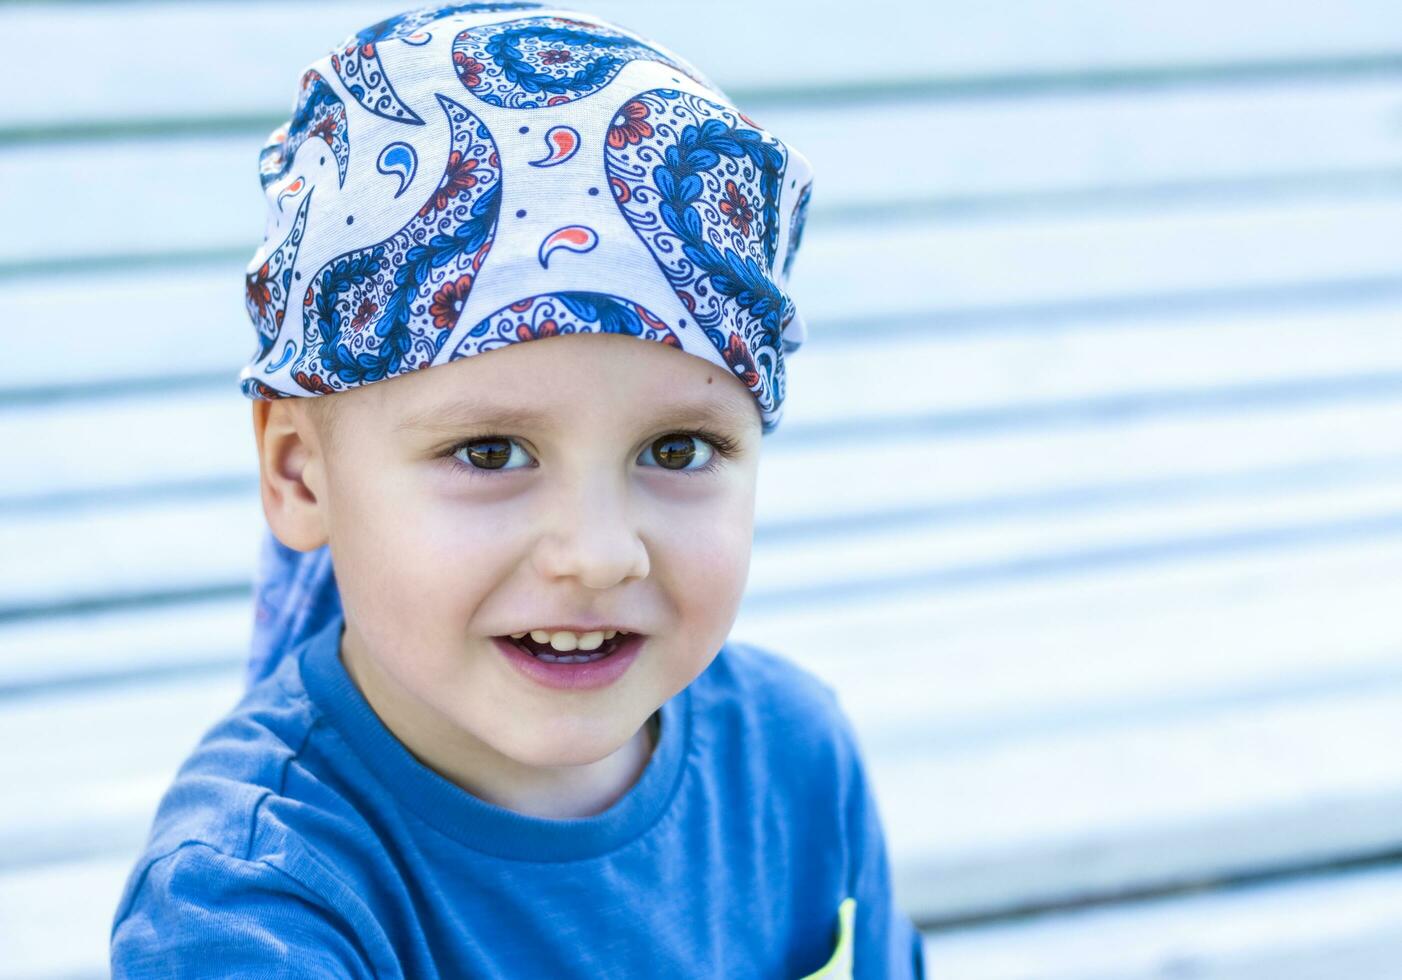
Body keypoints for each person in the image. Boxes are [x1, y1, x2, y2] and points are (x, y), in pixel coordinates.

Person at [109, 4, 926, 977]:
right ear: (298, 470)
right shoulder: (252, 902)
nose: (596, 552)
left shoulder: (792, 764)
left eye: (676, 449)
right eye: (491, 452)